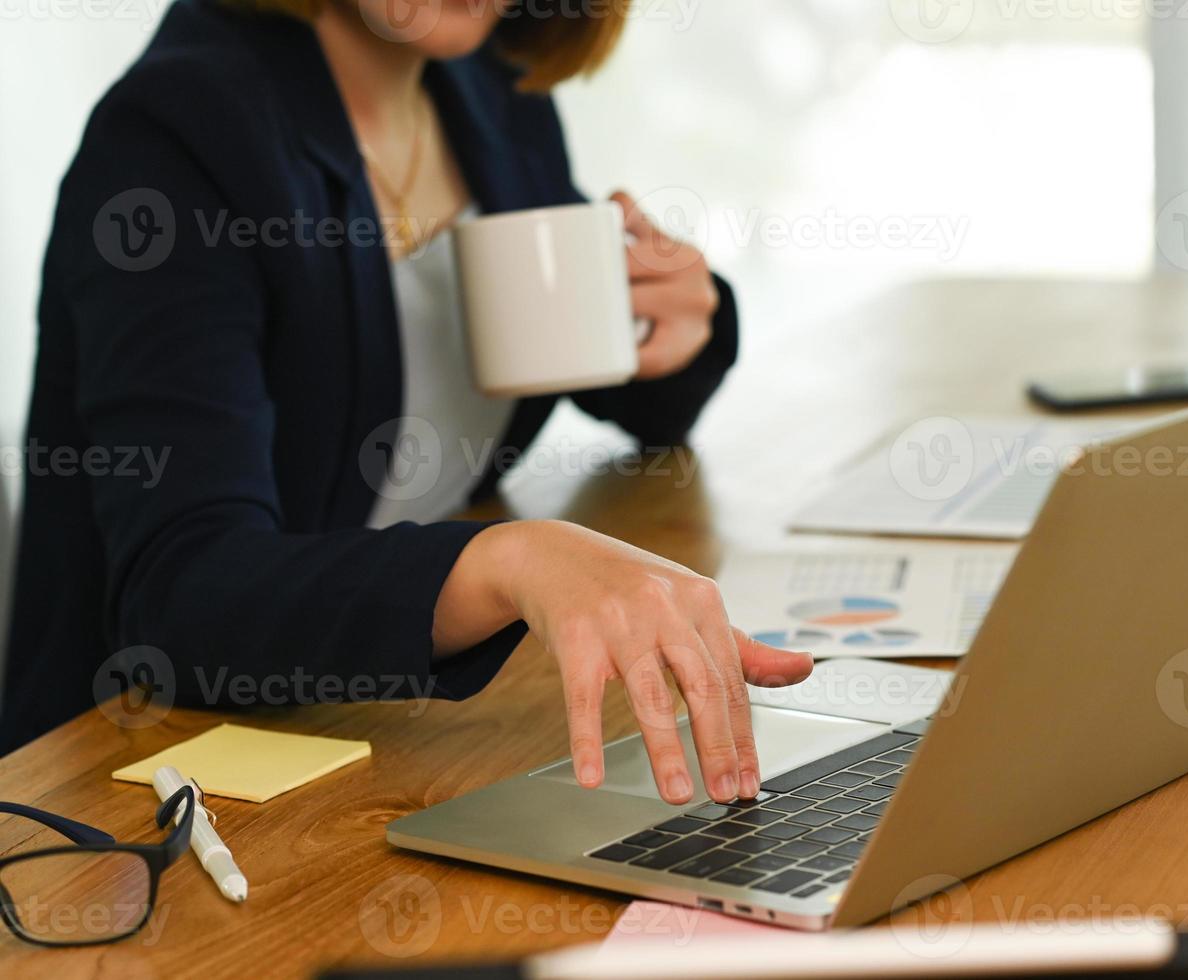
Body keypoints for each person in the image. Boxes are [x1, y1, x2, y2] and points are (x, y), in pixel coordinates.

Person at [1, 0, 813, 809]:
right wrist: (504, 561)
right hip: (133, 783)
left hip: (367, 727)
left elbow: (602, 375)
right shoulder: (174, 131)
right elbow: (182, 596)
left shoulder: (490, 84)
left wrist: (680, 321)